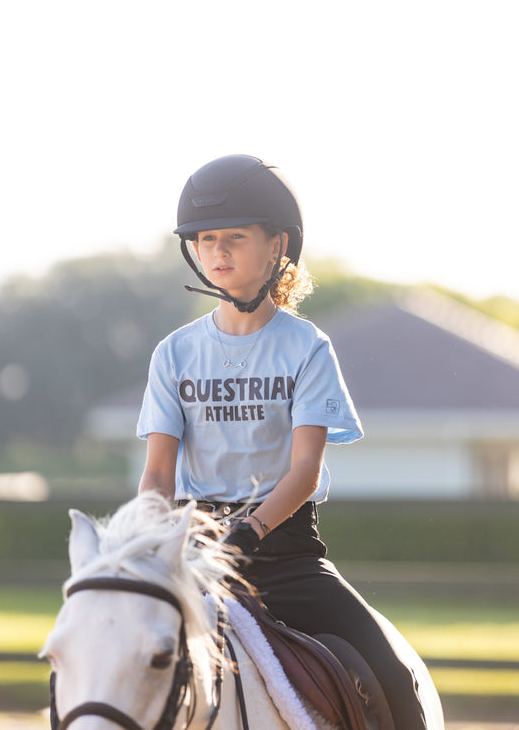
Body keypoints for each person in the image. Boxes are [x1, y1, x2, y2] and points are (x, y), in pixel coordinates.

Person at [137, 154, 427, 730]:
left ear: (277, 246)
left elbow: (305, 470)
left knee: (395, 675)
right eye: (206, 239)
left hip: (284, 555)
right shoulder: (173, 354)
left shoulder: (307, 347)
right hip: (193, 549)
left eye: (235, 238)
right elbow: (157, 474)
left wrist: (250, 534)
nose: (217, 252)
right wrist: (147, 537)